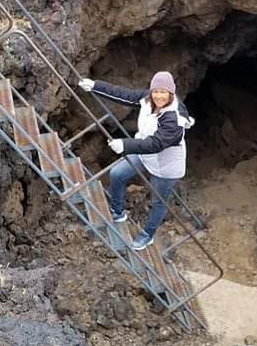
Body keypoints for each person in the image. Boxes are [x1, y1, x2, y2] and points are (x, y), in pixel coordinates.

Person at [78, 71, 194, 251]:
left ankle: (147, 235)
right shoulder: (147, 99)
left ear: (171, 93)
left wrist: (125, 144)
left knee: (158, 202)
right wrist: (95, 86)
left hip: (165, 166)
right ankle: (117, 212)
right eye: (156, 91)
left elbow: (156, 144)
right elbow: (124, 95)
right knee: (117, 174)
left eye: (164, 92)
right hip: (144, 154)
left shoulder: (175, 118)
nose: (159, 96)